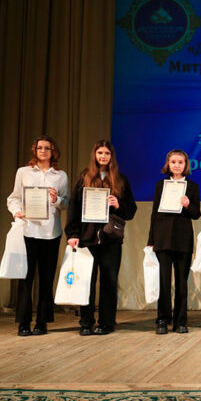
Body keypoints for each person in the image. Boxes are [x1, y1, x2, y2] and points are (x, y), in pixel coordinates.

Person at [65, 140, 137, 335]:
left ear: (111, 156)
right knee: (86, 281)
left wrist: (118, 204)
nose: (103, 156)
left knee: (109, 281)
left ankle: (106, 322)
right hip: (87, 239)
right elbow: (73, 208)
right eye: (100, 153)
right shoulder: (84, 177)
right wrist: (72, 234)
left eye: (107, 153)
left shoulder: (120, 179)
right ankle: (86, 322)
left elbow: (131, 210)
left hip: (110, 239)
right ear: (94, 155)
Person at [6, 135, 69, 336]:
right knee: (25, 278)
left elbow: (67, 203)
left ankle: (42, 322)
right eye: (39, 148)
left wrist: (56, 199)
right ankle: (23, 322)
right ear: (35, 150)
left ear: (53, 151)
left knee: (47, 279)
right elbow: (14, 198)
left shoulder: (61, 175)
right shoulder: (23, 172)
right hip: (28, 231)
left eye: (47, 148)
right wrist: (17, 211)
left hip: (51, 233)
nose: (43, 151)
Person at [148, 150, 201, 335]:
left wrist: (187, 205)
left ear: (185, 165)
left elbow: (196, 214)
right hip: (162, 239)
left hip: (182, 240)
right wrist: (151, 240)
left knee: (181, 283)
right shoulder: (160, 185)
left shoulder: (192, 186)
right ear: (168, 164)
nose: (177, 165)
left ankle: (180, 321)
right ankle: (163, 319)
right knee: (163, 282)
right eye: (173, 162)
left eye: (180, 162)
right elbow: (154, 213)